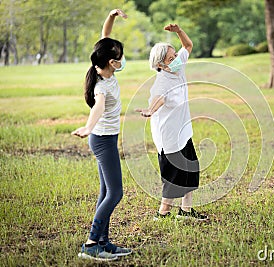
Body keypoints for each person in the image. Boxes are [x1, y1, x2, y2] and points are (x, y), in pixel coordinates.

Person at [71, 9, 132, 261]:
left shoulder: (105, 67)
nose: (122, 60)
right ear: (111, 62)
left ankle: (104, 242)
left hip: (106, 139)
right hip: (102, 140)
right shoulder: (102, 86)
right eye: (119, 57)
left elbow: (105, 37)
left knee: (106, 191)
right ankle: (91, 244)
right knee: (115, 193)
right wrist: (87, 127)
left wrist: (111, 16)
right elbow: (97, 107)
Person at [135, 24, 208, 221]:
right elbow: (159, 99)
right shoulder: (162, 81)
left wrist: (178, 31)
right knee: (173, 177)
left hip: (183, 132)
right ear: (160, 65)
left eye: (174, 55)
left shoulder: (178, 67)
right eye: (170, 59)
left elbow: (189, 45)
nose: (175, 59)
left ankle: (186, 211)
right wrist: (150, 110)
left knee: (191, 169)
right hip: (169, 138)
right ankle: (163, 214)